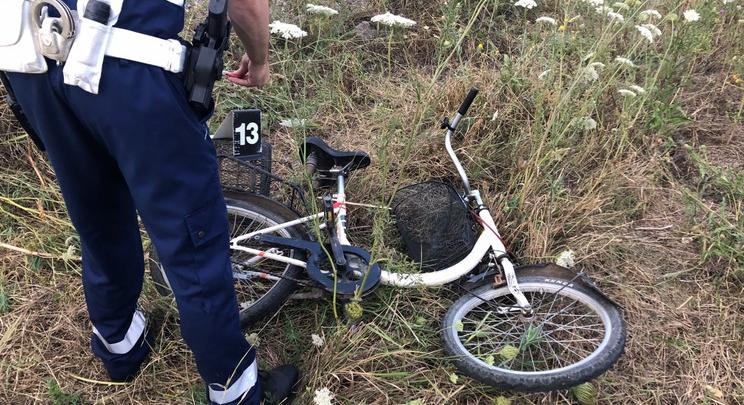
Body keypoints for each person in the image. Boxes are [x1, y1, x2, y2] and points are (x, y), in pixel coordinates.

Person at [2, 0, 298, 403]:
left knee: (96, 213)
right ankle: (236, 389)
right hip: (128, 64)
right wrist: (259, 60)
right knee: (192, 237)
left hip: (31, 63)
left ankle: (119, 342)